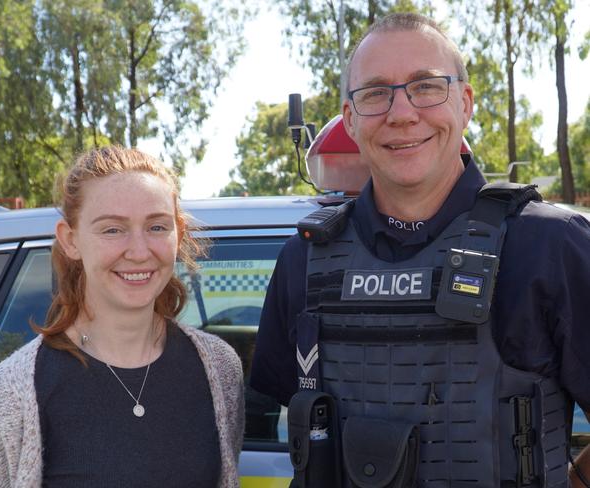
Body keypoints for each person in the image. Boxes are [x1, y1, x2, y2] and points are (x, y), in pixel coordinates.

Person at [251, 12, 590, 488]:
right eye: (375, 93)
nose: (402, 112)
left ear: (465, 103)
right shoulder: (303, 262)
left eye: (426, 86)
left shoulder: (550, 246)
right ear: (350, 119)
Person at [0, 146, 244, 487]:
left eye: (157, 227)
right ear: (70, 240)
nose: (139, 251)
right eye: (112, 230)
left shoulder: (219, 370)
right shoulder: (10, 396)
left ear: (177, 233)